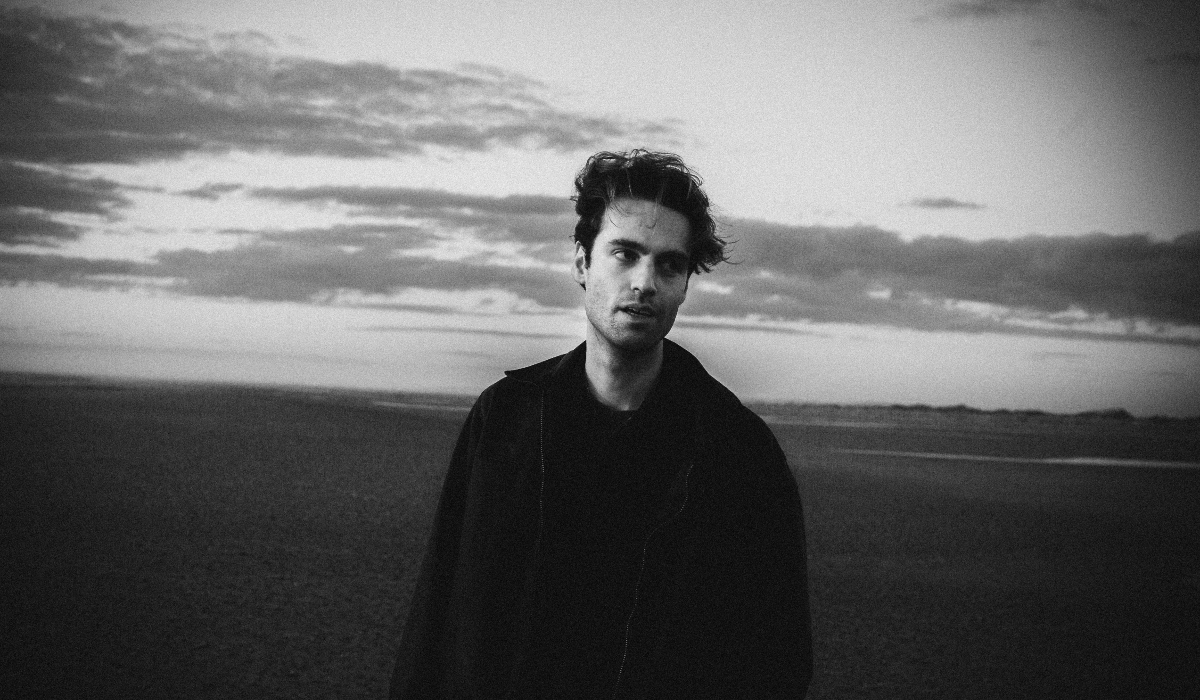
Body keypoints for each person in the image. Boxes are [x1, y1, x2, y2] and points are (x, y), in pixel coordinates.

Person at [390, 150, 812, 698]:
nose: (645, 282)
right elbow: (437, 610)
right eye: (625, 254)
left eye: (668, 264)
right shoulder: (504, 419)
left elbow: (777, 658)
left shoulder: (738, 450)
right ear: (583, 264)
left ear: (685, 283)